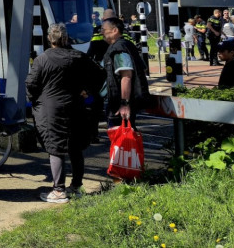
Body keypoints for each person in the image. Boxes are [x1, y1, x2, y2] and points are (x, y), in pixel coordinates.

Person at [27, 23, 105, 203]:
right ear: (66, 38)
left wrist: (36, 99)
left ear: (49, 39)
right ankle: (76, 187)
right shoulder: (79, 57)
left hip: (51, 108)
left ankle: (58, 190)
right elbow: (100, 74)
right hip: (76, 106)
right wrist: (87, 90)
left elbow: (31, 84)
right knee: (75, 146)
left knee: (55, 147)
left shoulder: (42, 60)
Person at [100, 19, 151, 130]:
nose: (101, 32)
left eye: (103, 29)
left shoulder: (119, 49)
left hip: (119, 104)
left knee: (122, 139)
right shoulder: (124, 45)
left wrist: (125, 104)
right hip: (117, 101)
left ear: (114, 30)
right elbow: (143, 67)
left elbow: (126, 76)